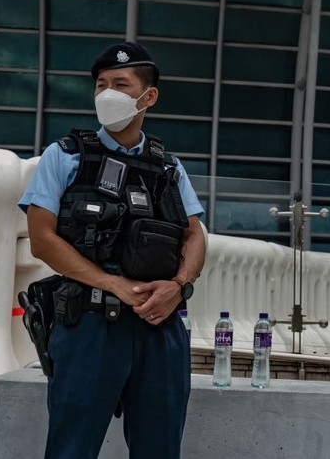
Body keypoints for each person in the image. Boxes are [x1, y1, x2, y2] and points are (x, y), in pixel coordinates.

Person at [18, 40, 206, 459]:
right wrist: (113, 284)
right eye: (101, 85)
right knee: (72, 449)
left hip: (161, 326)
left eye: (121, 84)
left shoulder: (169, 167)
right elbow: (42, 238)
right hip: (90, 325)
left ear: (148, 96)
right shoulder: (64, 156)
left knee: (160, 449)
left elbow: (195, 235)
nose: (107, 94)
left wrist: (179, 285)